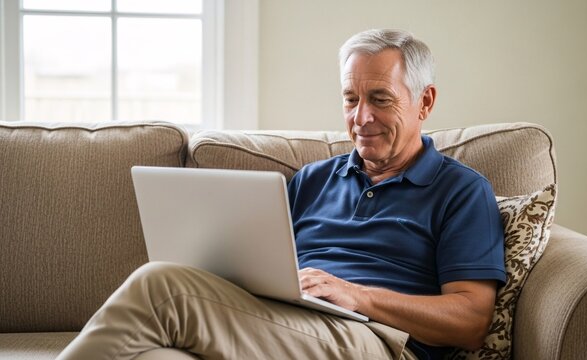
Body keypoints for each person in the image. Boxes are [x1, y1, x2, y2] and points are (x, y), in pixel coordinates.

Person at [57, 29, 505, 360]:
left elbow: (470, 322)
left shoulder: (462, 191)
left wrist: (357, 295)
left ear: (425, 102)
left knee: (161, 286)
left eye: (381, 99)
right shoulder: (313, 179)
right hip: (283, 325)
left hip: (376, 339)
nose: (361, 116)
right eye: (350, 99)